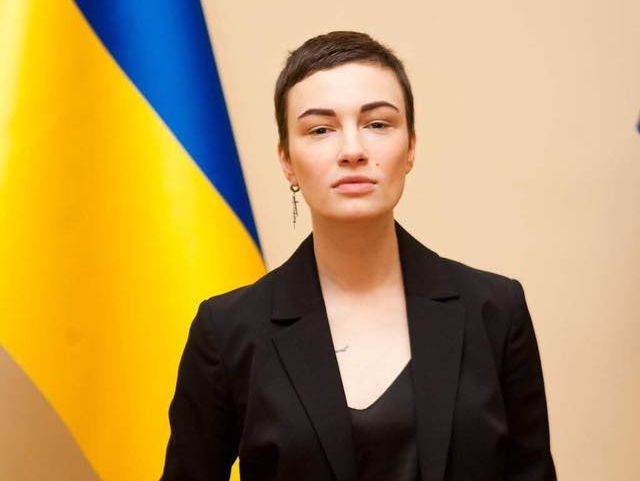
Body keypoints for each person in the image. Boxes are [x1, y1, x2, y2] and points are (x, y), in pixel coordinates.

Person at [160, 31, 557, 481]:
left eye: (377, 124)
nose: (352, 151)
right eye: (320, 129)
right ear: (286, 160)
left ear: (410, 147)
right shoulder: (228, 331)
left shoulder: (496, 310)